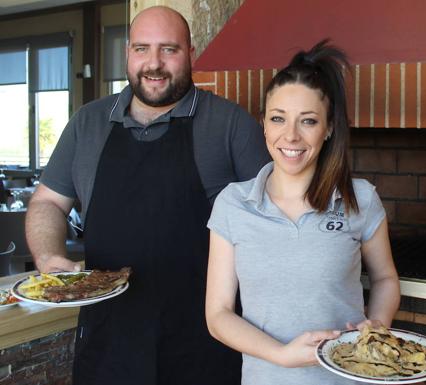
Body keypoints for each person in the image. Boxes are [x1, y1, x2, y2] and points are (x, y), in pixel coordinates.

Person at [25, 6, 269, 385]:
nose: (153, 63)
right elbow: (47, 202)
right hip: (108, 344)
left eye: (169, 49)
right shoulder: (87, 123)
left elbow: (274, 222)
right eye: (142, 48)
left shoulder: (230, 124)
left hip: (205, 344)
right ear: (127, 54)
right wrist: (48, 256)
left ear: (190, 51)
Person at [205, 40, 401, 385]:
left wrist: (378, 324)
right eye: (278, 118)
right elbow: (218, 314)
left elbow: (385, 279)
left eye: (308, 121)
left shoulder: (361, 199)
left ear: (328, 129)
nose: (290, 136)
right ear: (263, 123)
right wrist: (281, 355)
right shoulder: (232, 204)